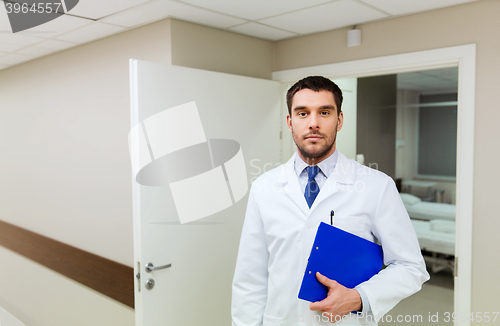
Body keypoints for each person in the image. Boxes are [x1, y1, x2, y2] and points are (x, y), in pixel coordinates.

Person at [231, 76, 429, 326]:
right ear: (290, 122)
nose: (313, 123)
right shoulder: (264, 188)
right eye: (303, 113)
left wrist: (359, 297)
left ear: (339, 120)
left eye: (324, 112)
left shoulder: (376, 186)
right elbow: (250, 278)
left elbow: (410, 267)